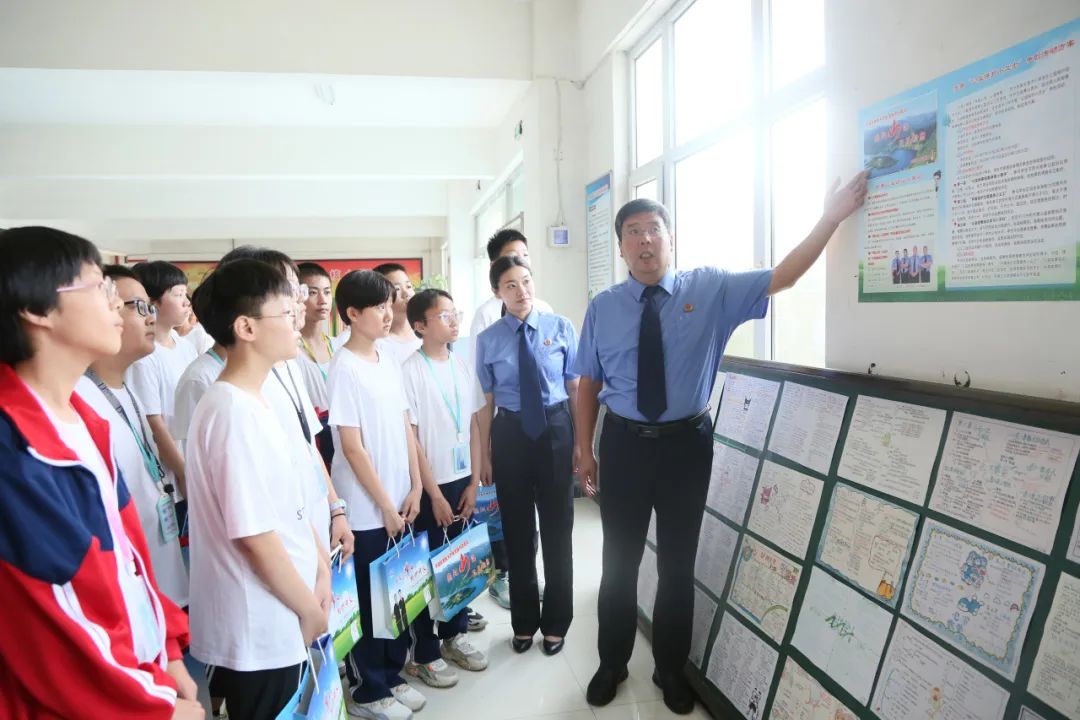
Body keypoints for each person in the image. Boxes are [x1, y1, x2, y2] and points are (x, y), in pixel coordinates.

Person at [574, 173, 868, 715]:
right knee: (619, 562)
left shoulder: (708, 289)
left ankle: (669, 669)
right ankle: (611, 663)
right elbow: (587, 381)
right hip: (624, 445)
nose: (644, 241)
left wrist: (830, 217)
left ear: (671, 238)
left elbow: (783, 277)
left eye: (653, 229)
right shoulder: (604, 306)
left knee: (677, 565)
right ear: (620, 247)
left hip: (685, 446)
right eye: (633, 232)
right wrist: (583, 449)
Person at [0, 226, 202, 719]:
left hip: (140, 674)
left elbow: (127, 558)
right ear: (36, 309)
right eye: (100, 286)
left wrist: (168, 649)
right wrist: (159, 707)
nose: (117, 304)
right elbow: (57, 628)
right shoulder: (16, 448)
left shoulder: (81, 419)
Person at [185, 259, 330, 720]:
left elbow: (290, 505)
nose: (298, 318)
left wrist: (320, 568)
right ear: (246, 327)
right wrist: (309, 608)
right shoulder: (230, 411)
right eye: (286, 311)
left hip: (287, 606)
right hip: (262, 622)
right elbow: (254, 535)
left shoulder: (257, 398)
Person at [327, 270, 424, 720]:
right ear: (352, 313)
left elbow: (405, 424)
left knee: (396, 593)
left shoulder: (387, 358)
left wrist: (416, 485)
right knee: (367, 600)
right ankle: (369, 689)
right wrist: (385, 504)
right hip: (367, 509)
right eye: (379, 307)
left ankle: (393, 674)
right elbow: (351, 447)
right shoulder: (344, 366)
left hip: (400, 499)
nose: (389, 313)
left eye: (390, 304)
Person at [474, 256, 579, 657]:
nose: (522, 291)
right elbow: (485, 402)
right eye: (511, 285)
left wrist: (581, 444)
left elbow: (575, 388)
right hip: (510, 433)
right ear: (497, 292)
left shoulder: (560, 327)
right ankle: (522, 622)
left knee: (557, 530)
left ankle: (556, 624)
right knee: (517, 532)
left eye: (526, 281)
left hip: (555, 429)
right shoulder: (489, 339)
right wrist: (485, 454)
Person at [75, 264, 189, 608]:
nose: (150, 317)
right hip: (129, 595)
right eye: (137, 307)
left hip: (162, 584)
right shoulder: (80, 400)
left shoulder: (126, 390)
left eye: (149, 307)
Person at [401, 289, 489, 687]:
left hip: (462, 481)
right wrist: (433, 494)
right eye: (444, 315)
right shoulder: (410, 371)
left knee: (459, 561)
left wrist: (474, 482)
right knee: (425, 570)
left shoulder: (461, 364)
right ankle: (424, 652)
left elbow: (472, 426)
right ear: (420, 325)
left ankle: (454, 636)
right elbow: (412, 439)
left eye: (456, 313)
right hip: (428, 486)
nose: (454, 321)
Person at [468, 229, 553, 612]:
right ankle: (506, 575)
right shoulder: (487, 316)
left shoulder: (545, 309)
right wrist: (484, 448)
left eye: (525, 255)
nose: (520, 263)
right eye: (510, 256)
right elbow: (482, 387)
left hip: (545, 424)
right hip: (508, 425)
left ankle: (531, 573)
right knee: (509, 509)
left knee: (538, 509)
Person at [128, 261, 198, 502]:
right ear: (153, 303)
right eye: (178, 294)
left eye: (186, 294)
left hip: (192, 460)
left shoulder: (186, 347)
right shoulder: (145, 356)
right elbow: (154, 423)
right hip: (170, 472)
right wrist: (183, 472)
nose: (187, 302)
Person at [296, 262, 336, 470]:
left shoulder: (338, 345)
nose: (322, 300)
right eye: (313, 293)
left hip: (341, 438)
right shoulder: (291, 352)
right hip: (312, 442)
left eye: (327, 292)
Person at [373, 263, 423, 366]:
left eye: (408, 286)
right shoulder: (377, 343)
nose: (406, 293)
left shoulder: (425, 334)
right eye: (397, 289)